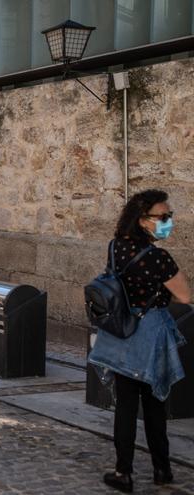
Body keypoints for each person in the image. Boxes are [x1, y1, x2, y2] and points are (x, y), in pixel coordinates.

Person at [87, 190, 190, 493]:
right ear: (143, 220)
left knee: (126, 406)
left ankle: (123, 473)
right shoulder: (159, 258)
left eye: (169, 216)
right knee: (156, 404)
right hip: (150, 335)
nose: (168, 222)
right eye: (163, 217)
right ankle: (162, 469)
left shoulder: (115, 247)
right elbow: (185, 296)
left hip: (121, 333)